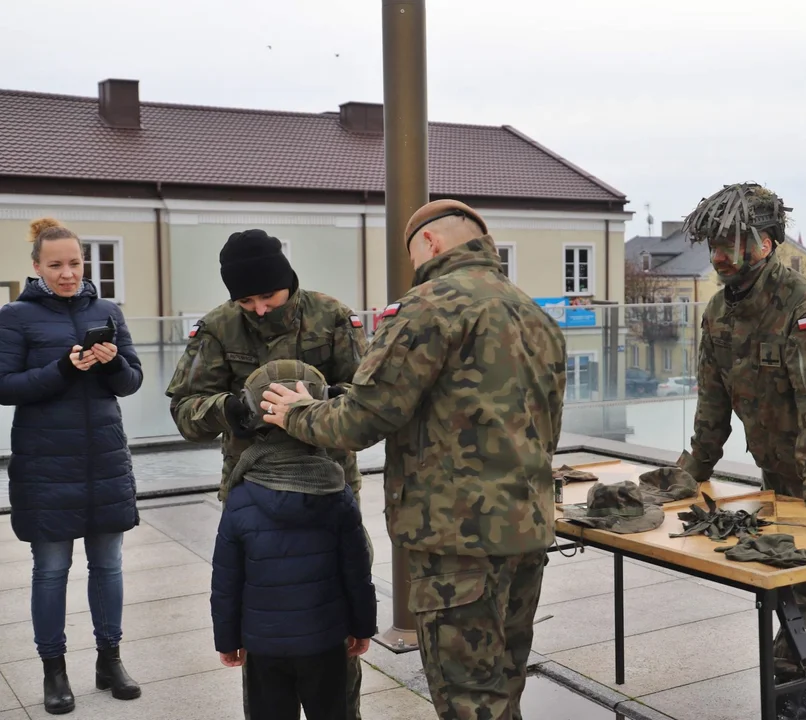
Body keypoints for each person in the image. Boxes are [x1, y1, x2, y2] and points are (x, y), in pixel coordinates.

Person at [260, 199, 567, 720]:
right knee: (503, 686)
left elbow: (363, 418)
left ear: (429, 244)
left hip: (456, 543)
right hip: (526, 532)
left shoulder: (428, 307)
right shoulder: (535, 315)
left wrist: (297, 412)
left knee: (467, 698)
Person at [672, 184, 806, 720]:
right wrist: (693, 469)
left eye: (732, 243)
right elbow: (712, 401)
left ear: (765, 243)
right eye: (713, 245)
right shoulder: (719, 310)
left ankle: (797, 684)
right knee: (787, 570)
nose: (719, 256)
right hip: (778, 460)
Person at [164, 228, 370, 719]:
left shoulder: (333, 317)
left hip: (330, 483)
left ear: (290, 283)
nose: (257, 308)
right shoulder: (218, 327)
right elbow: (185, 410)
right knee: (266, 613)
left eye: (268, 296)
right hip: (252, 488)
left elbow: (368, 400)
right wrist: (234, 408)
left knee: (337, 605)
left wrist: (315, 405)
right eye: (246, 299)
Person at [0, 218, 144, 715]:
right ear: (36, 267)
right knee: (51, 570)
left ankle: (110, 661)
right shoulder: (15, 316)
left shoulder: (108, 310)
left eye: (75, 263)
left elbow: (130, 382)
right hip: (44, 463)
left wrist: (108, 363)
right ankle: (54, 672)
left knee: (108, 566)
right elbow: (4, 388)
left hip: (103, 459)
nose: (67, 273)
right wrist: (65, 367)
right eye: (56, 265)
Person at [210, 360, 377, 720]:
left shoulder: (240, 497)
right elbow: (357, 571)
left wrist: (227, 639)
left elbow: (226, 580)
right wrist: (363, 627)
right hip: (325, 643)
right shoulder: (338, 492)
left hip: (264, 647)